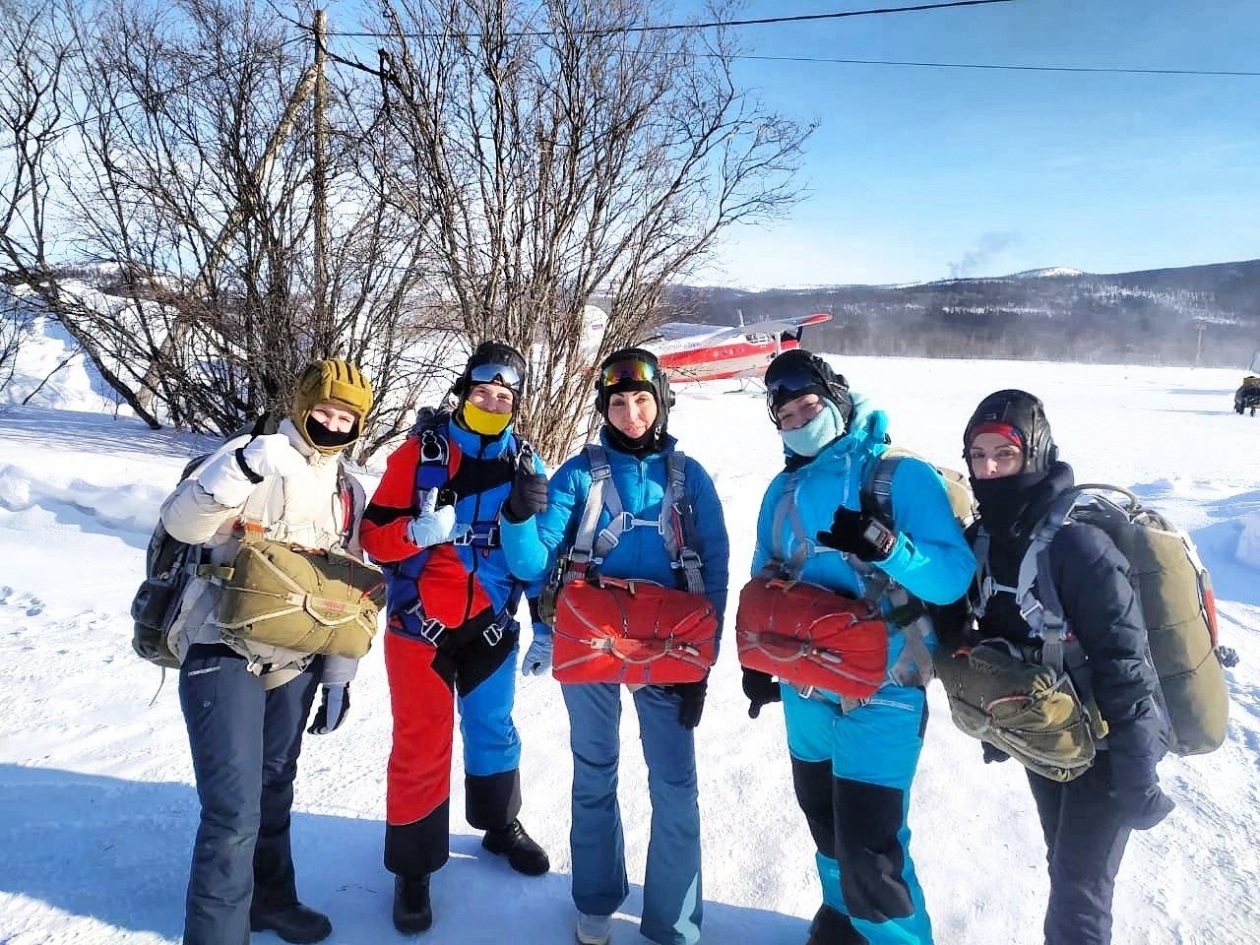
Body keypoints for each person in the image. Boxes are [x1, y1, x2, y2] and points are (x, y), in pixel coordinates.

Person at [498, 347, 729, 945]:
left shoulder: (690, 478)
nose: (631, 414)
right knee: (594, 770)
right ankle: (597, 898)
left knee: (676, 784)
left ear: (662, 403)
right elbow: (532, 563)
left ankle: (673, 921)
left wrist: (705, 662)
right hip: (590, 644)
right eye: (618, 403)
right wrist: (520, 518)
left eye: (642, 400)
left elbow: (718, 570)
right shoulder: (579, 474)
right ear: (605, 407)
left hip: (669, 648)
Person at [742, 349, 974, 945]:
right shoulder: (783, 488)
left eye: (809, 404)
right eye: (786, 414)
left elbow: (952, 577)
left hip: (886, 686)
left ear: (838, 400)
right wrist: (758, 660)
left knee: (871, 844)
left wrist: (887, 545)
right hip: (805, 683)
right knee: (823, 819)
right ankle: (842, 915)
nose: (798, 418)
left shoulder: (897, 476)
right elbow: (763, 573)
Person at [160, 358, 374, 945]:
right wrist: (246, 464)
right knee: (233, 811)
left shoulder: (348, 489)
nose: (332, 424)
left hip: (296, 658)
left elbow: (347, 589)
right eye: (323, 411)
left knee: (276, 786)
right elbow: (181, 523)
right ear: (301, 407)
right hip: (220, 648)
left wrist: (338, 675)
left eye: (346, 416)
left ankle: (271, 902)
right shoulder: (249, 455)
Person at [960, 389, 1173, 945]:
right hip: (1049, 741)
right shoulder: (986, 540)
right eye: (977, 456)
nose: (988, 468)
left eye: (1003, 455)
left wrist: (1137, 770)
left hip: (1106, 746)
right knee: (1064, 865)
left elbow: (1128, 664)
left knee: (1079, 892)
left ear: (1035, 454)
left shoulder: (1080, 547)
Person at [359, 341, 550, 935]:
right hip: (420, 627)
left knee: (495, 728)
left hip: (492, 625)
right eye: (482, 392)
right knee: (421, 743)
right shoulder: (420, 454)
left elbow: (536, 562)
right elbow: (373, 536)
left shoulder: (528, 465)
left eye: (505, 397)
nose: (492, 403)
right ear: (463, 392)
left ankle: (498, 825)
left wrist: (521, 528)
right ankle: (413, 869)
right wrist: (417, 531)